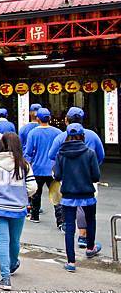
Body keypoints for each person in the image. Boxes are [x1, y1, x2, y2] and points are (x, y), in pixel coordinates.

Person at [0, 133, 37, 290]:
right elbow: (33, 188)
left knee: (2, 242)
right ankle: (13, 264)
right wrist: (21, 195)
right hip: (18, 208)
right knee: (14, 240)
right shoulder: (24, 164)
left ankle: (5, 278)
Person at [48, 107, 105, 238]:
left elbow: (51, 155)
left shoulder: (61, 137)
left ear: (66, 119)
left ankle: (70, 239)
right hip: (88, 177)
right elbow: (101, 156)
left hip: (67, 178)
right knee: (87, 207)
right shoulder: (92, 135)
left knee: (70, 206)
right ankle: (84, 237)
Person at [53, 123, 102, 272]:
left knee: (69, 228)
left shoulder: (61, 154)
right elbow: (96, 176)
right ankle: (90, 247)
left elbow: (58, 176)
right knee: (90, 221)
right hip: (87, 195)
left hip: (68, 196)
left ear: (67, 136)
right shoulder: (90, 153)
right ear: (83, 136)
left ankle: (71, 262)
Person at [23, 108, 62, 224]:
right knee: (56, 194)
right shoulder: (58, 132)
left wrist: (27, 165)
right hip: (53, 169)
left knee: (36, 193)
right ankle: (60, 220)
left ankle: (34, 216)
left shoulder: (33, 133)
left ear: (37, 118)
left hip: (37, 168)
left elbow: (28, 152)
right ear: (49, 118)